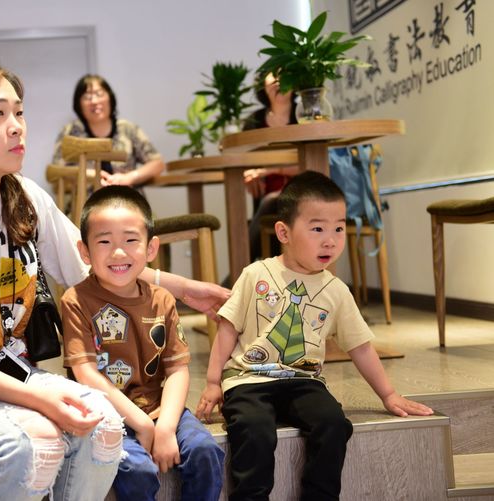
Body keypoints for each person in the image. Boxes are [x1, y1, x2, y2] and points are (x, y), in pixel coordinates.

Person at [0, 58, 230, 501]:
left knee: (105, 426)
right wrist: (40, 400)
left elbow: (96, 267)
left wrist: (184, 288)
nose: (17, 126)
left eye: (19, 112)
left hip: (14, 372)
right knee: (35, 444)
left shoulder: (24, 197)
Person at [195, 171, 433, 501]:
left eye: (339, 229)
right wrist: (212, 381)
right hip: (248, 380)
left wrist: (388, 394)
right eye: (318, 228)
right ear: (284, 232)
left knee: (333, 424)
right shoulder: (256, 273)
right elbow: (227, 327)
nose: (330, 240)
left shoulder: (336, 290)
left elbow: (360, 348)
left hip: (304, 381)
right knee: (254, 429)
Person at [61, 185, 225, 501]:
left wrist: (165, 427)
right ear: (85, 251)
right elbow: (86, 374)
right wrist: (141, 424)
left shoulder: (162, 299)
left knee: (205, 451)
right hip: (106, 414)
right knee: (134, 468)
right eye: (104, 241)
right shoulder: (76, 300)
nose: (118, 253)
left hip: (159, 406)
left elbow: (177, 370)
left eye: (131, 240)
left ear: (151, 249)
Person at [51, 74, 165, 189]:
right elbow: (54, 173)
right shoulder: (70, 132)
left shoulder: (128, 128)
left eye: (99, 94)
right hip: (86, 198)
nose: (94, 101)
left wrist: (130, 177)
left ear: (110, 98)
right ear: (79, 104)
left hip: (126, 196)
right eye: (87, 97)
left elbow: (157, 163)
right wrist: (87, 174)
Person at [243, 72, 299, 263]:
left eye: (284, 74)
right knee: (269, 205)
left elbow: (310, 163)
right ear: (263, 85)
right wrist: (248, 175)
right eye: (272, 75)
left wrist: (267, 170)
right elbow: (242, 159)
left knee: (273, 201)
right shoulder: (254, 121)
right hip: (263, 198)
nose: (277, 79)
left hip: (301, 191)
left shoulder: (304, 114)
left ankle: (239, 270)